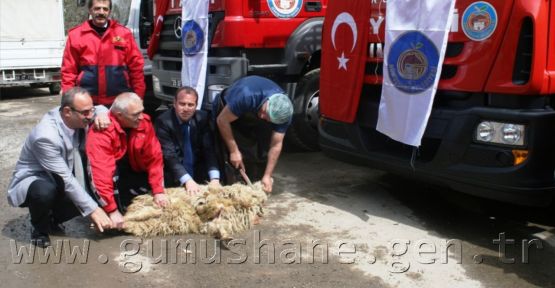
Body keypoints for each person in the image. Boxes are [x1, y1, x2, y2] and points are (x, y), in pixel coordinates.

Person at [7, 87, 113, 248]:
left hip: (64, 174)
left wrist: (103, 113)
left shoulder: (78, 114)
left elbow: (100, 108)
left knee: (87, 192)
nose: (91, 116)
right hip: (38, 178)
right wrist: (94, 210)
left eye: (91, 110)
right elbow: (65, 179)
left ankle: (53, 219)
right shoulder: (45, 136)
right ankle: (39, 229)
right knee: (45, 192)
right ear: (67, 111)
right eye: (86, 113)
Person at [86, 92, 167, 230]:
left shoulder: (144, 123)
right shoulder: (102, 131)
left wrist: (158, 190)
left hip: (134, 168)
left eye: (142, 111)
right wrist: (112, 210)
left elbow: (155, 158)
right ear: (119, 116)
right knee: (115, 220)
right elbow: (100, 173)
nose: (141, 117)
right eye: (135, 114)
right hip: (113, 175)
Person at [214, 75, 294, 193]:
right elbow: (222, 120)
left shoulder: (284, 114)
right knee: (231, 159)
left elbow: (276, 144)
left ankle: (255, 185)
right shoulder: (246, 96)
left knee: (260, 153)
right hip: (228, 111)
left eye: (267, 118)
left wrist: (267, 175)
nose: (262, 116)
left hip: (251, 110)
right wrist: (233, 151)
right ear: (268, 101)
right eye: (264, 112)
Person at [61, 0, 145, 106]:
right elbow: (69, 71)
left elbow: (136, 68)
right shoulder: (76, 35)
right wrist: (67, 101)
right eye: (97, 8)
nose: (101, 12)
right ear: (90, 10)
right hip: (87, 101)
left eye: (105, 9)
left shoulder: (123, 33)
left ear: (109, 12)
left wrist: (138, 97)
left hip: (119, 102)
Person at [155, 87, 221, 195]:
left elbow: (209, 149)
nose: (186, 109)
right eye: (182, 104)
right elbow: (169, 155)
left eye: (190, 105)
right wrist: (187, 180)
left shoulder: (203, 118)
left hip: (199, 171)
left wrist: (214, 178)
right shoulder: (163, 121)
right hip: (175, 176)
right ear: (174, 103)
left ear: (196, 105)